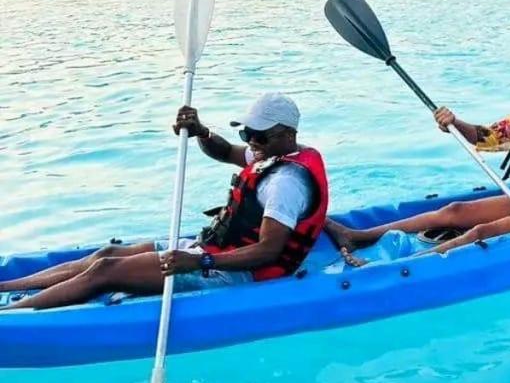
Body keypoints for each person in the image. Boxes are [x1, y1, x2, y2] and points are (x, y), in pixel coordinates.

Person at [0, 94, 329, 311]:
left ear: (288, 134)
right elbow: (225, 152)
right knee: (106, 254)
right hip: (213, 250)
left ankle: (12, 316)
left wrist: (199, 264)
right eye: (247, 134)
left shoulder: (286, 182)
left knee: (105, 271)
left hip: (238, 273)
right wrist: (201, 132)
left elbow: (267, 252)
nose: (251, 142)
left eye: (259, 136)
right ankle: (7, 287)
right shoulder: (270, 153)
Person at [325, 34, 510, 263]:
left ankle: (396, 268)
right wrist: (455, 123)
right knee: (454, 211)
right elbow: (488, 136)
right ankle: (358, 236)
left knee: (479, 232)